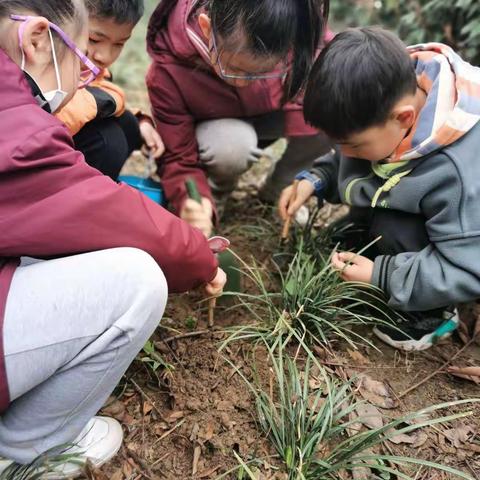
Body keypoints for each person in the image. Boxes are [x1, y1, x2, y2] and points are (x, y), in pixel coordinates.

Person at [0, 0, 225, 476]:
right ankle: (19, 453)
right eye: (82, 55)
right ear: (38, 39)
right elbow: (100, 207)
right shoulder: (15, 128)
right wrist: (200, 256)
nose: (93, 66)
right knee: (136, 280)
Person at [279, 27, 480, 351]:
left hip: (467, 249)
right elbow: (356, 158)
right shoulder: (386, 103)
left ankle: (433, 312)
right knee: (365, 223)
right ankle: (374, 240)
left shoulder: (458, 172)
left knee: (394, 229)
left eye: (354, 145)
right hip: (439, 220)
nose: (346, 154)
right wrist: (316, 179)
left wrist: (383, 274)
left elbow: (468, 267)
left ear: (404, 118)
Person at [146, 0, 332, 238]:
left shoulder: (296, 25)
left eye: (263, 72)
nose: (245, 82)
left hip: (271, 113)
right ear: (206, 27)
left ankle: (282, 189)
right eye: (234, 68)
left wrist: (308, 117)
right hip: (219, 133)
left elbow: (326, 68)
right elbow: (178, 156)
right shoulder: (169, 69)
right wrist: (191, 198)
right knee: (232, 146)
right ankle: (214, 195)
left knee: (328, 111)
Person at [57, 0, 164, 180]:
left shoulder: (90, 70)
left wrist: (141, 121)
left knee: (129, 124)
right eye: (94, 39)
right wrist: (100, 102)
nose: (104, 56)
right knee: (108, 142)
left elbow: (99, 90)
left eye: (119, 44)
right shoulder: (39, 61)